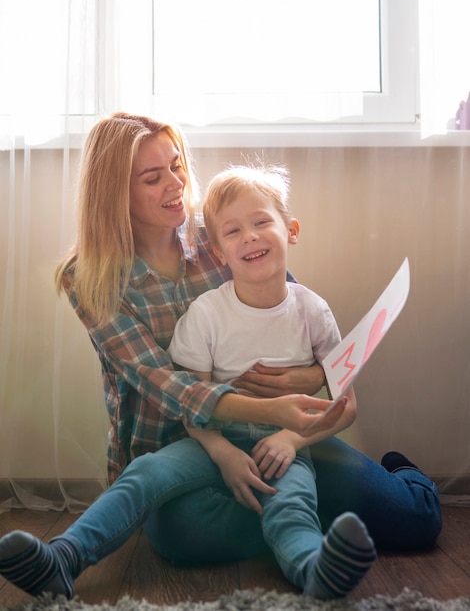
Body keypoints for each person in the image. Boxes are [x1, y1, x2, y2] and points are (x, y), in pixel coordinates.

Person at [0, 113, 441, 601]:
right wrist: (249, 425)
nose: (176, 184)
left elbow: (292, 311)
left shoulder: (220, 232)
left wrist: (306, 385)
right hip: (181, 444)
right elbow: (165, 383)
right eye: (153, 177)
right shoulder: (90, 277)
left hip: (284, 440)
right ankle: (63, 558)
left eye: (177, 164)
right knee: (187, 533)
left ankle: (353, 504)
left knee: (413, 521)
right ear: (116, 195)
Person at [168, 163, 377, 597]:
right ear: (218, 251)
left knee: (416, 520)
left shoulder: (312, 310)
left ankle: (392, 483)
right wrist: (223, 452)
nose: (250, 236)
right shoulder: (208, 313)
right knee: (180, 526)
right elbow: (193, 400)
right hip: (222, 446)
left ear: (291, 229)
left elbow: (347, 404)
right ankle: (306, 544)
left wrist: (292, 440)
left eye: (261, 222)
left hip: (295, 445)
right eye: (233, 231)